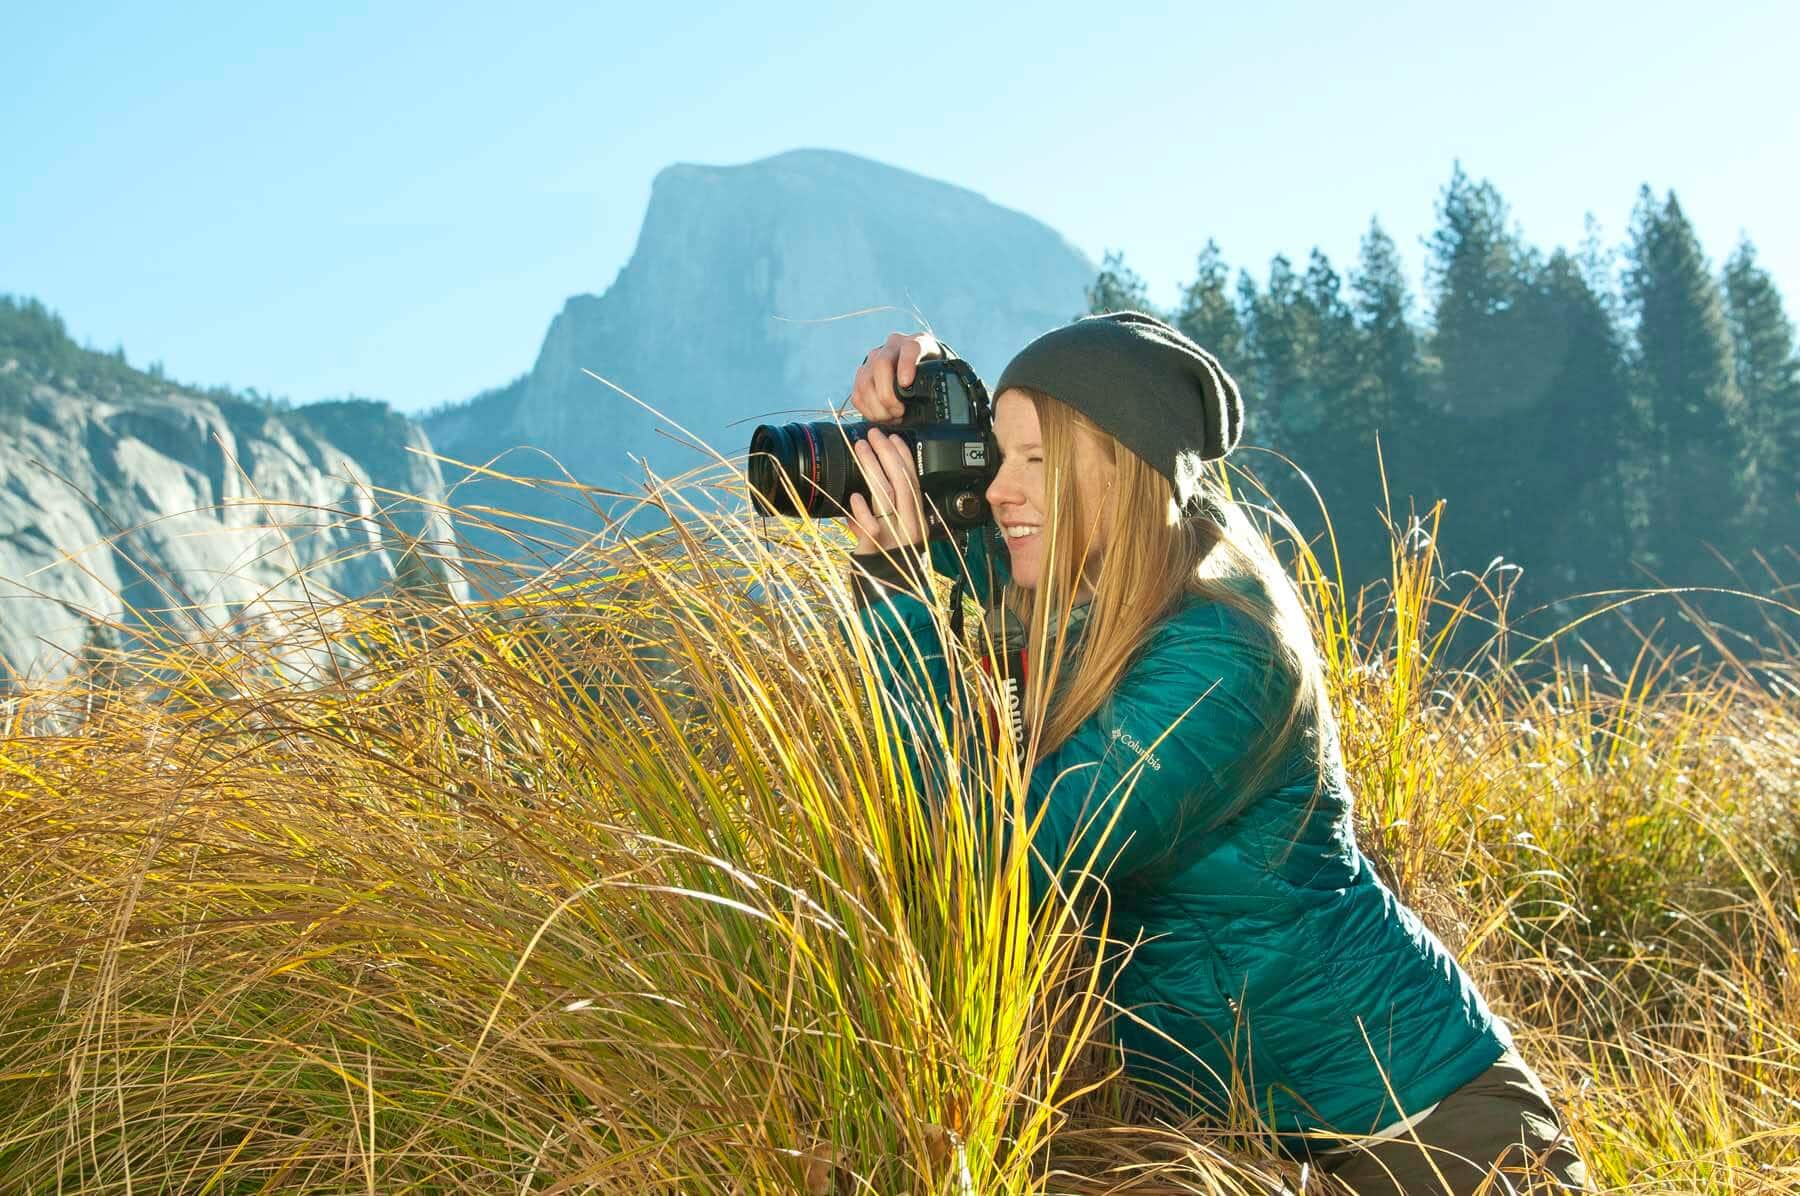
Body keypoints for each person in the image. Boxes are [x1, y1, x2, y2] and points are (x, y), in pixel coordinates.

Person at [837, 314, 1590, 1194]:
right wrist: (932, 403)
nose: (1002, 490)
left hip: (1434, 1141)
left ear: (1125, 471)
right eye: (999, 459)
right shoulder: (1089, 599)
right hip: (1256, 1152)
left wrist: (898, 607)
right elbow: (970, 559)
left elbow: (1002, 862)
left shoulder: (1223, 654)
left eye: (1037, 461)